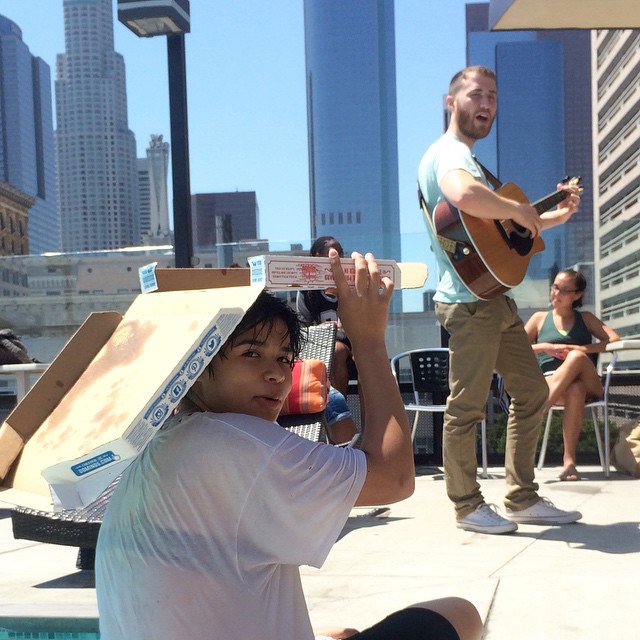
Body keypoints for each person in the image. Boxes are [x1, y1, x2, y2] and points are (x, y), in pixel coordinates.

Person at [95, 251, 483, 640]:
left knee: (340, 633)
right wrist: (368, 343)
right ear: (194, 365)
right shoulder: (235, 442)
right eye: (251, 353)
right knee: (461, 615)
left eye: (284, 358)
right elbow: (393, 478)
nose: (276, 374)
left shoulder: (157, 443)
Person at [417, 65, 583, 535]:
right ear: (451, 102)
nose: (485, 103)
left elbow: (502, 234)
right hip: (468, 302)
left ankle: (521, 497)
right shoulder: (450, 154)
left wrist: (550, 217)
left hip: (492, 298)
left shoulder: (468, 158)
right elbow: (463, 194)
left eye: (492, 96)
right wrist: (519, 209)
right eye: (475, 95)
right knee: (466, 406)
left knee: (531, 393)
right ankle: (468, 506)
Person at [525, 268, 620, 481]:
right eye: (555, 287)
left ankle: (536, 414)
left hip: (590, 386)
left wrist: (583, 349)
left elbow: (614, 340)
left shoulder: (585, 318)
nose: (556, 293)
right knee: (574, 389)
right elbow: (517, 347)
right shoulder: (539, 318)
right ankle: (569, 463)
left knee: (576, 359)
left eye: (564, 290)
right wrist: (545, 347)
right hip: (554, 384)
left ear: (577, 295)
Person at [297, 235, 359, 443]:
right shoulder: (307, 291)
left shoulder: (351, 285)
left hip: (352, 340)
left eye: (341, 252)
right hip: (321, 345)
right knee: (336, 352)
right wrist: (321, 329)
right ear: (317, 257)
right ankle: (338, 414)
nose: (339, 257)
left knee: (357, 357)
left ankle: (354, 420)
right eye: (332, 252)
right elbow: (302, 326)